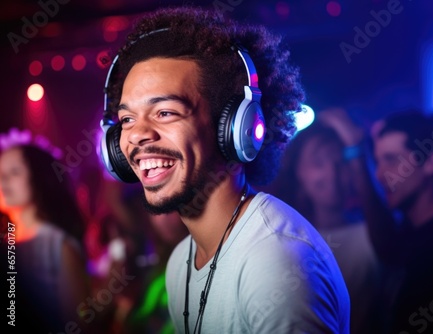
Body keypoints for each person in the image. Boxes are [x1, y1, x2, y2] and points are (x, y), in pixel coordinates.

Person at [98, 5, 350, 333]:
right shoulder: (180, 263)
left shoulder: (275, 261)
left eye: (165, 112)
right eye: (127, 119)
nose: (137, 135)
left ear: (235, 129)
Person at [329, 108, 433, 333]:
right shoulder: (416, 232)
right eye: (378, 161)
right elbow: (387, 246)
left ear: (431, 163)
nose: (380, 174)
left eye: (391, 159)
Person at [269, 111, 384, 334]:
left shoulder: (370, 233)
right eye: (318, 162)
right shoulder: (286, 239)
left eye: (340, 162)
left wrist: (355, 146)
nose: (331, 172)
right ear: (298, 173)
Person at [0, 139, 96, 332]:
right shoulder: (6, 243)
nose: (4, 180)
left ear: (38, 176)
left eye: (15, 172)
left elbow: (79, 323)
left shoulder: (57, 244)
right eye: (0, 173)